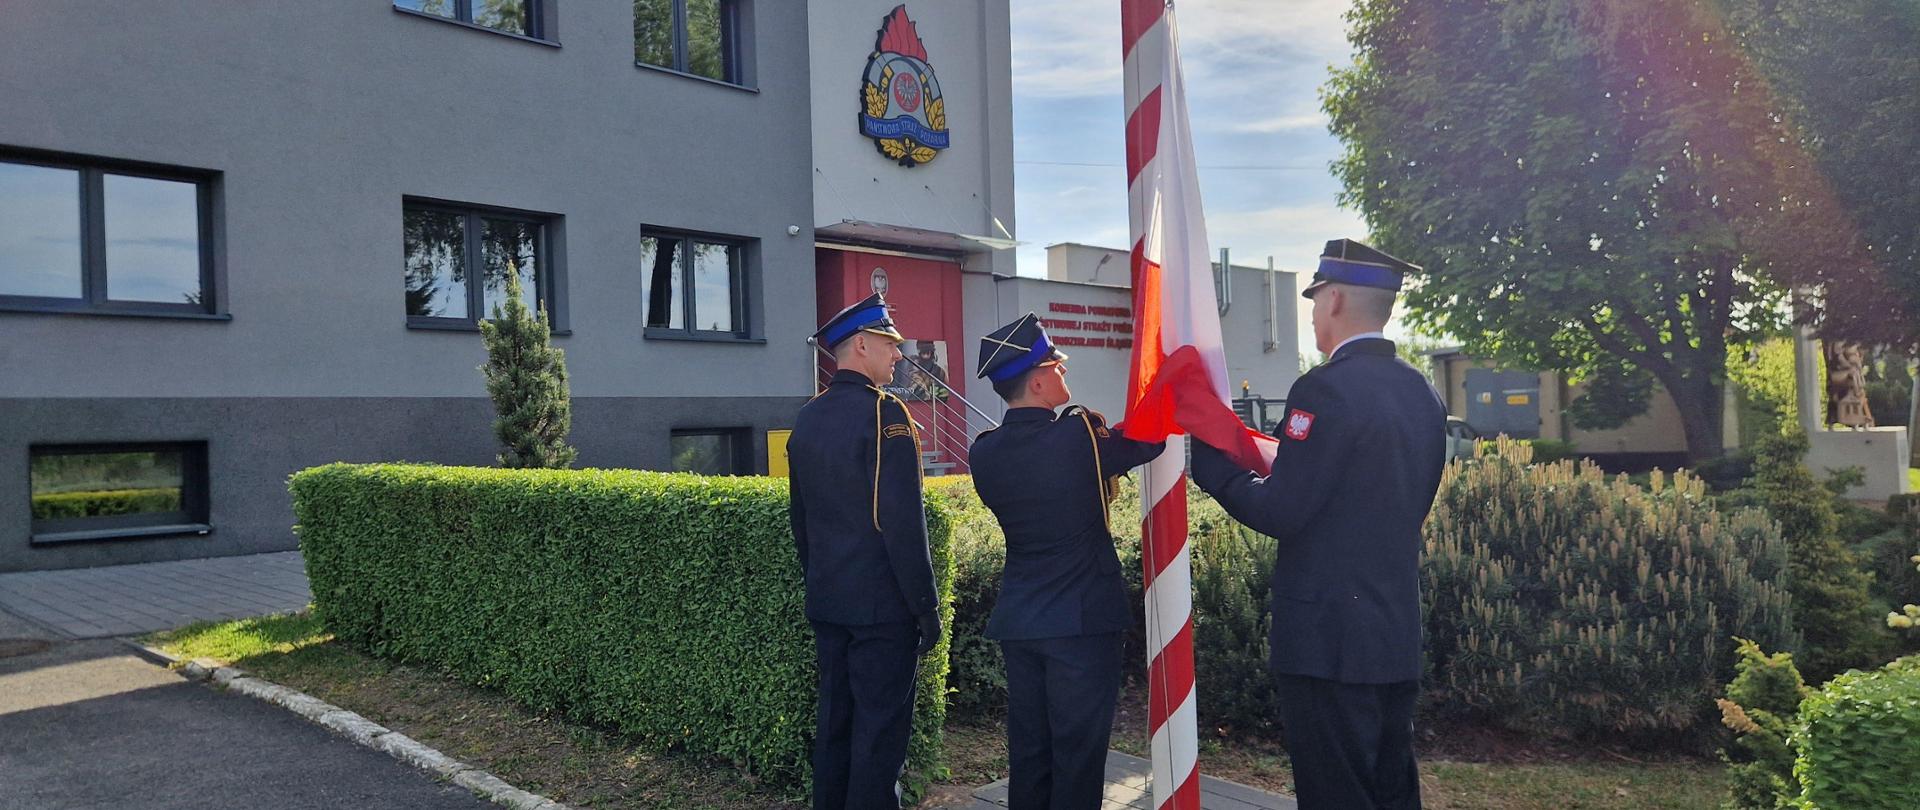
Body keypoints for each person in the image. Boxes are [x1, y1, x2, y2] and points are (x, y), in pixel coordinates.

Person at [1188, 239, 1447, 810]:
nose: (1311, 315)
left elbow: (1284, 510)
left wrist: (1214, 471)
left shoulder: (1324, 389)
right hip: (1391, 631)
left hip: (1328, 641)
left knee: (1335, 792)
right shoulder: (1422, 392)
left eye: (1313, 302)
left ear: (1331, 301)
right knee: (1391, 789)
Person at [967, 313, 1165, 809]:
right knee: (1077, 758)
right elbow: (1149, 441)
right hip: (1081, 625)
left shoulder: (983, 452)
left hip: (1021, 622)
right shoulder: (1077, 437)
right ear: (1037, 381)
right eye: (1056, 364)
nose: (1063, 369)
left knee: (1031, 755)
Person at [788, 292, 942, 810]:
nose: (897, 355)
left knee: (835, 729)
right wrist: (926, 607)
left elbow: (802, 524)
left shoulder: (808, 417)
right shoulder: (886, 415)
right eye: (888, 343)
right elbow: (903, 524)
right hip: (882, 611)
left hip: (829, 602)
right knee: (879, 742)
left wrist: (822, 583)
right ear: (859, 345)